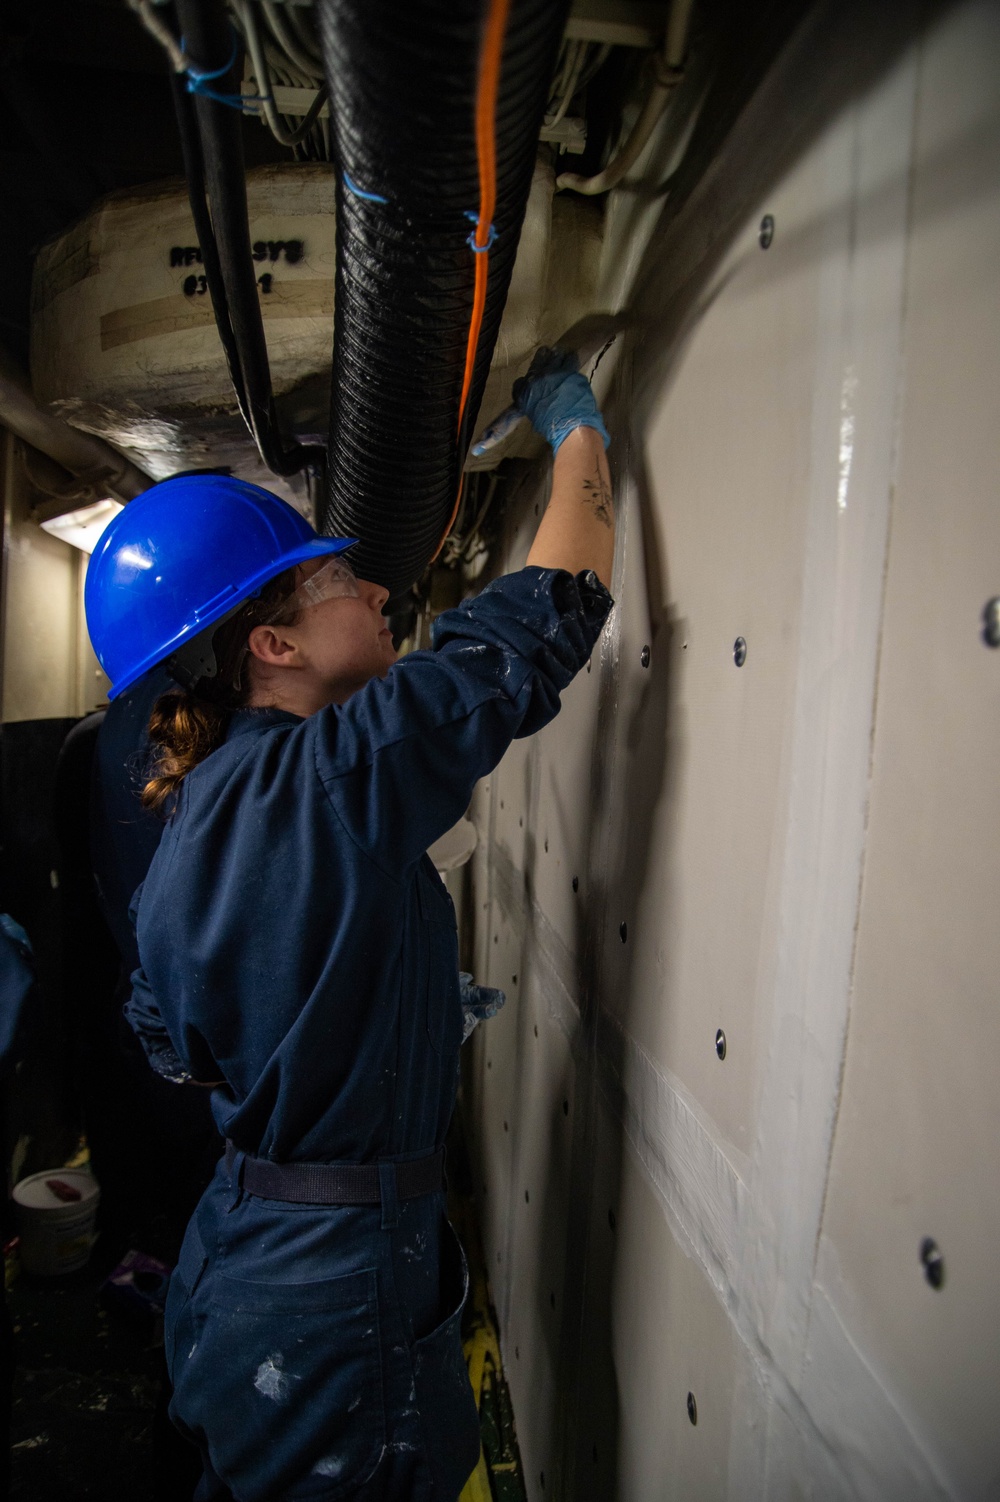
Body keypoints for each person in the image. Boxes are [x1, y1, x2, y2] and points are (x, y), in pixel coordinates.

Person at [84, 351, 615, 1502]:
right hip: (334, 1292)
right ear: (272, 646)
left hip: (245, 1255)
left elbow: (170, 1036)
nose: (376, 592)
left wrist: (355, 1011)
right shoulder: (326, 771)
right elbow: (537, 624)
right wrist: (580, 435)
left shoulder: (202, 804)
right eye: (336, 580)